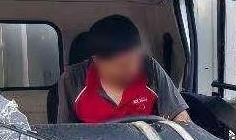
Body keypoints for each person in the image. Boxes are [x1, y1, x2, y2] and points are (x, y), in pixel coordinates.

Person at [56, 14, 192, 124]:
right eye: (123, 65)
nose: (133, 69)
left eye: (136, 59)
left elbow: (181, 119)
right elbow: (65, 135)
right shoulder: (72, 80)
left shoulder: (150, 68)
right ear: (97, 61)